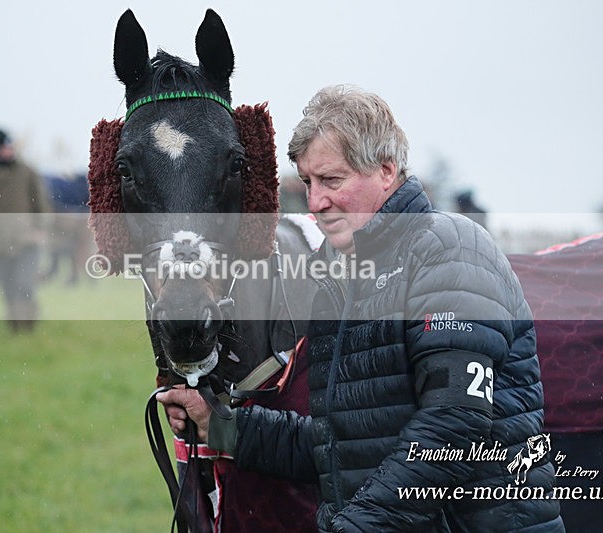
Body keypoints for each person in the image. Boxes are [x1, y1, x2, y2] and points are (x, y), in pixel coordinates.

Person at [157, 85, 563, 531]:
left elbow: (454, 428)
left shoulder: (450, 249)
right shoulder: (337, 274)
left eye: (332, 180)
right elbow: (342, 444)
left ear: (386, 171)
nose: (316, 202)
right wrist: (220, 426)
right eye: (308, 183)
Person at [0, 129, 50, 332]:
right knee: (7, 288)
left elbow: (42, 204)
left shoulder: (28, 173)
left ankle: (28, 325)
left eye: (9, 147)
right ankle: (14, 326)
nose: (7, 151)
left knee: (24, 285)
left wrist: (40, 230)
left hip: (26, 241)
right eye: (3, 148)